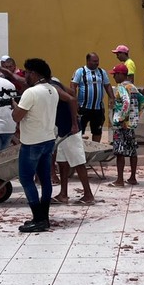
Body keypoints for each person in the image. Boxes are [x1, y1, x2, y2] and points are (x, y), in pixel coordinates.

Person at [11, 58, 58, 233]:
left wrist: (14, 106)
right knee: (45, 179)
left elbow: (17, 117)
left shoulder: (31, 93)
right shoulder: (53, 90)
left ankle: (38, 218)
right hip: (48, 140)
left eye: (27, 72)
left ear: (35, 73)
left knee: (26, 179)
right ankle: (44, 217)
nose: (25, 76)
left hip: (31, 143)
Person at [50, 77, 95, 205]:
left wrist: (74, 123)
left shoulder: (54, 87)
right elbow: (72, 92)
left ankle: (88, 195)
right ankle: (63, 194)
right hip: (62, 130)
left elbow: (72, 98)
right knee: (62, 162)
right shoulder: (56, 83)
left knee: (78, 162)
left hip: (70, 130)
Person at [110, 63, 144, 186]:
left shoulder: (121, 87)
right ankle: (132, 178)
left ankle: (119, 180)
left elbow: (126, 102)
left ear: (121, 74)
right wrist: (135, 115)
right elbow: (143, 101)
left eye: (115, 75)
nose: (114, 77)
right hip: (131, 124)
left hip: (122, 124)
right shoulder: (133, 87)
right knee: (132, 151)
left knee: (120, 152)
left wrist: (122, 118)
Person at [70, 53, 114, 143]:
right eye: (94, 61)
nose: (97, 63)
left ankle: (96, 148)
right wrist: (75, 101)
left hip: (98, 108)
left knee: (97, 131)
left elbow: (107, 85)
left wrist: (112, 98)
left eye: (97, 61)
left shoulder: (102, 72)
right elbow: (73, 86)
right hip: (83, 107)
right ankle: (80, 150)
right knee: (79, 131)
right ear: (88, 61)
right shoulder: (80, 71)